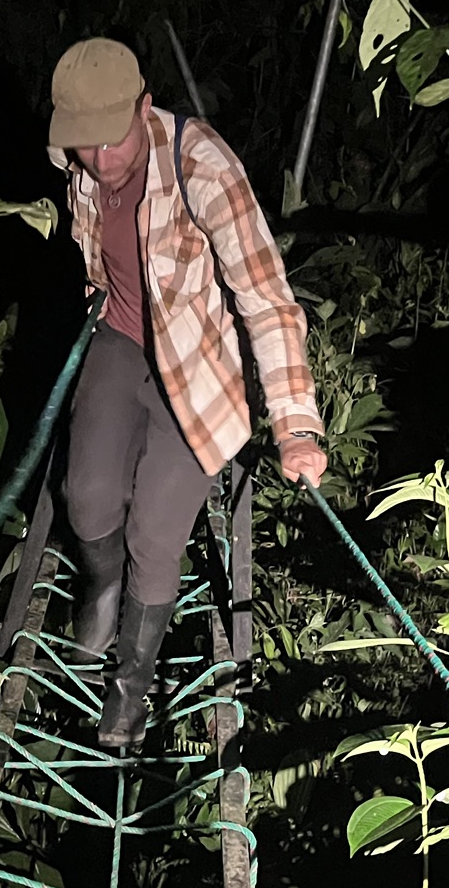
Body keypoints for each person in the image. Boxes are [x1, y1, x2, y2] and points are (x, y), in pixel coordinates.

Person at [46, 36, 328, 749]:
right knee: (86, 497)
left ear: (145, 108)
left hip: (198, 368)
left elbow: (267, 300)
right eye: (84, 145)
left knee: (155, 534)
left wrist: (296, 425)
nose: (100, 160)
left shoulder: (200, 164)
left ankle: (129, 687)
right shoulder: (76, 161)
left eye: (112, 140)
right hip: (119, 340)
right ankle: (100, 591)